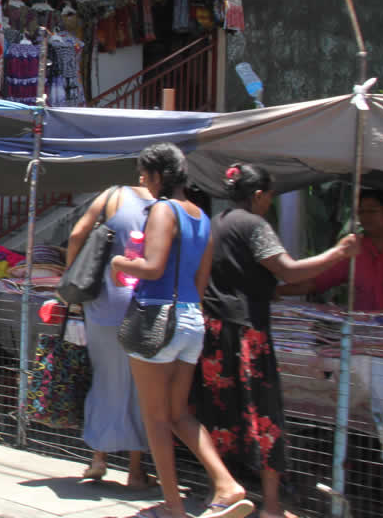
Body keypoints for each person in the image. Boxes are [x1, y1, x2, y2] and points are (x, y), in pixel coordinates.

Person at [195, 163, 359, 518]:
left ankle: (219, 495)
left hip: (214, 332)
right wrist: (338, 254)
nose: (270, 202)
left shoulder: (217, 222)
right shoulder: (254, 225)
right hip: (247, 333)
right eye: (269, 195)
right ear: (257, 195)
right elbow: (287, 268)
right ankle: (271, 508)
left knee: (219, 415)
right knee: (264, 417)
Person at [109, 144, 252, 518]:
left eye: (145, 173)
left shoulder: (162, 210)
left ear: (159, 176)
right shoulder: (202, 218)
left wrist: (120, 261)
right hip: (190, 319)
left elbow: (153, 267)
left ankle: (173, 508)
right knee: (177, 415)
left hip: (158, 317)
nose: (141, 180)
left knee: (155, 419)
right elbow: (201, 281)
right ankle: (227, 483)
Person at [64, 184, 155, 489]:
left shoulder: (113, 194)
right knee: (140, 387)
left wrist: (72, 281)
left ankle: (98, 458)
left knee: (104, 378)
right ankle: (135, 471)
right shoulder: (167, 205)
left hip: (103, 303)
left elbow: (78, 234)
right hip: (144, 304)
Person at [306, 189, 383, 313]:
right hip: (362, 329)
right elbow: (319, 281)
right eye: (361, 212)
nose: (365, 217)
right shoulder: (353, 247)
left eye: (372, 211)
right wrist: (282, 290)